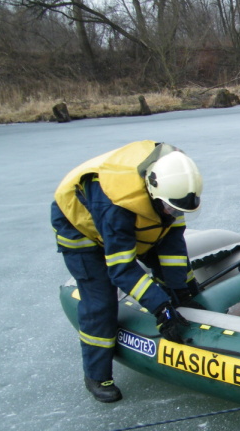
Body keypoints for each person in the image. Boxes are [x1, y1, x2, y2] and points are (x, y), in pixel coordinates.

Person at [52, 141, 203, 403]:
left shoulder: (175, 188)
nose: (176, 214)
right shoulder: (117, 206)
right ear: (154, 194)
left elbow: (172, 244)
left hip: (131, 216)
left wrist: (182, 290)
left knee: (176, 276)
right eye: (172, 209)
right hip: (81, 227)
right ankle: (97, 376)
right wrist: (161, 308)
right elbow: (121, 268)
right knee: (100, 300)